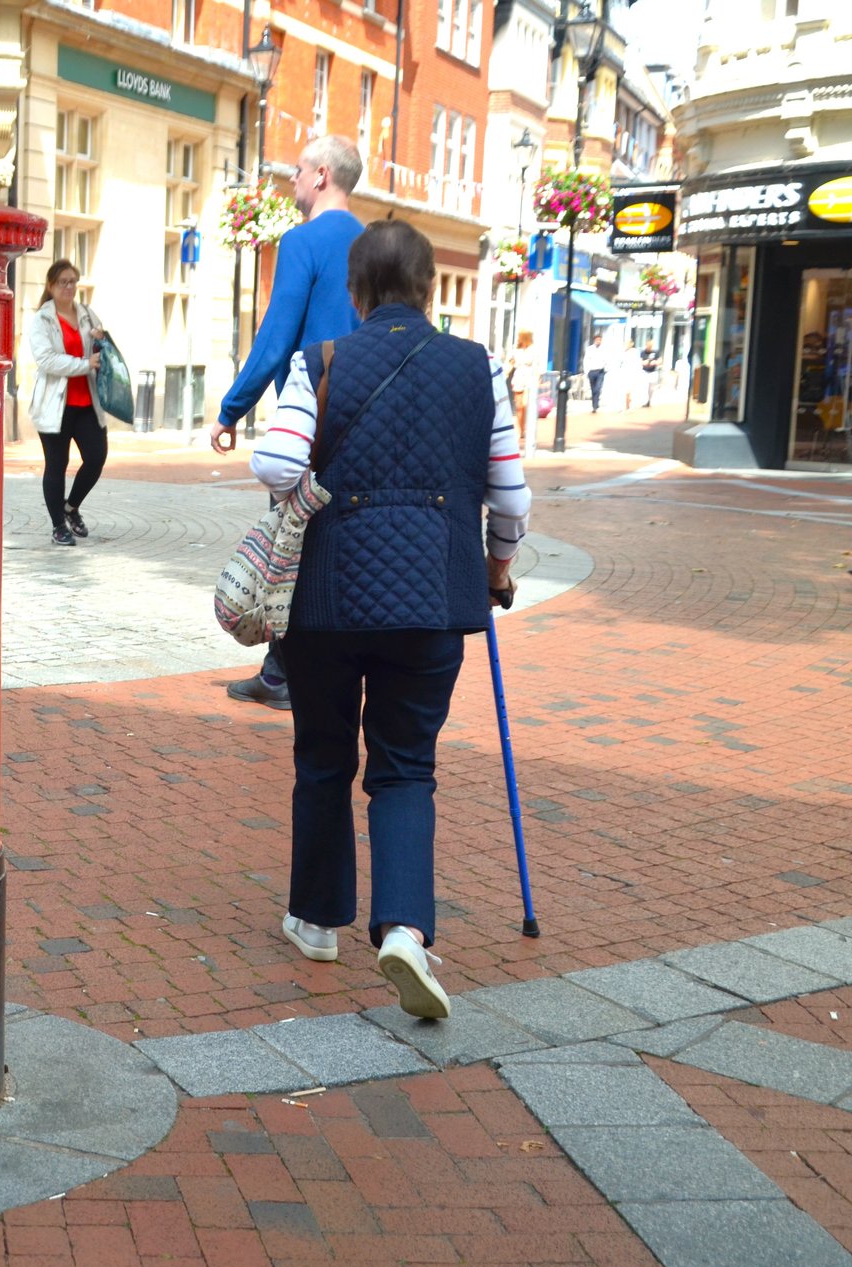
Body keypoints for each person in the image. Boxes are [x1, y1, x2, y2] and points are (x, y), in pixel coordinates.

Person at [250, 219, 531, 1019]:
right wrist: (497, 566)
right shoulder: (481, 370)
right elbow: (510, 497)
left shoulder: (325, 361)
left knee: (323, 755)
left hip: (327, 599)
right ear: (430, 286)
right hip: (436, 598)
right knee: (406, 764)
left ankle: (315, 920)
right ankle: (405, 928)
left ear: (356, 290)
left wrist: (305, 489)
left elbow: (272, 461)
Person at [215, 135, 366, 710]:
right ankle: (324, 668)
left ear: (322, 175)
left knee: (291, 541)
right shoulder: (373, 242)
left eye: (299, 172)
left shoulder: (303, 241)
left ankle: (281, 674)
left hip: (312, 415)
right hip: (368, 412)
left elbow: (277, 337)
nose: (293, 182)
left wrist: (232, 409)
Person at [27, 258, 108, 547]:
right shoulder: (42, 320)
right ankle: (58, 526)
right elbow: (47, 360)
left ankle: (71, 507)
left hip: (87, 402)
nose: (69, 287)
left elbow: (102, 350)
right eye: (63, 282)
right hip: (54, 405)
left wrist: (100, 339)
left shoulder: (87, 314)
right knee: (57, 464)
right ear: (51, 286)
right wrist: (86, 363)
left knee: (96, 457)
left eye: (73, 281)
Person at [582, 331, 609, 412]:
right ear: (594, 340)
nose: (598, 341)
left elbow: (607, 359)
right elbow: (586, 360)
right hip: (592, 371)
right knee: (593, 389)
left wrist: (606, 368)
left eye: (599, 340)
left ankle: (595, 406)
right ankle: (594, 404)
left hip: (600, 371)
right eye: (597, 340)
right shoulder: (590, 349)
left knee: (598, 388)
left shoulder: (604, 349)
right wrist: (586, 371)